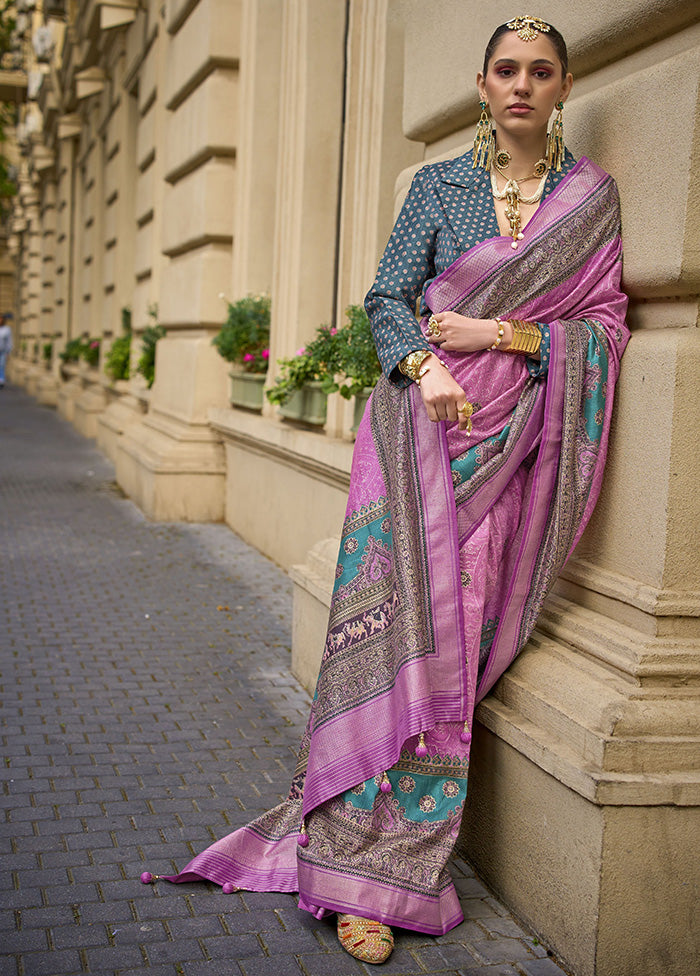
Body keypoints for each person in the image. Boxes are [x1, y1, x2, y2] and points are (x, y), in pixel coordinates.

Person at [152, 16, 629, 965]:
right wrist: (426, 363)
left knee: (445, 667)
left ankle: (397, 873)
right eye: (506, 70)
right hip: (419, 447)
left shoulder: (591, 200)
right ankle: (342, 848)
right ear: (483, 84)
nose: (523, 85)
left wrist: (500, 340)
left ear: (566, 87)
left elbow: (605, 327)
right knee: (386, 642)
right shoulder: (440, 187)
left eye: (541, 71)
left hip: (513, 457)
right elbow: (385, 297)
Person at [0, 314, 12, 388]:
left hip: (3, 351)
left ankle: (1, 380)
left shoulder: (7, 329)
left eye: (1, 319)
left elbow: (9, 341)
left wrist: (8, 351)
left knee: (1, 365)